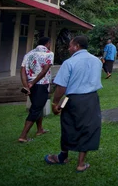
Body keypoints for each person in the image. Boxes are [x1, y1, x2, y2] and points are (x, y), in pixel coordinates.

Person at [44, 35, 102, 172]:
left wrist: (55, 103)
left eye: (70, 46)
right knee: (89, 128)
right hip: (91, 99)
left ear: (76, 46)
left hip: (73, 99)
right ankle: (81, 163)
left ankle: (63, 156)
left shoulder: (69, 62)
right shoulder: (97, 61)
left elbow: (61, 87)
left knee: (69, 125)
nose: (69, 48)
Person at [18, 36, 54, 143]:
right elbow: (45, 70)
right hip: (41, 84)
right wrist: (33, 82)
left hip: (30, 85)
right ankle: (23, 135)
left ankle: (40, 129)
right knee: (36, 109)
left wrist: (26, 85)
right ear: (47, 43)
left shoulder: (28, 54)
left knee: (37, 106)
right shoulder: (49, 53)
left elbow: (22, 70)